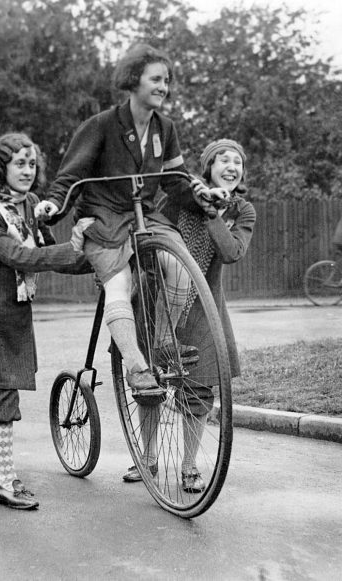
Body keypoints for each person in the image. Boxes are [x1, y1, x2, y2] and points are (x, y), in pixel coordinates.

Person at [35, 43, 202, 400]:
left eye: (167, 81)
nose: (163, 87)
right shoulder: (101, 125)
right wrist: (53, 205)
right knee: (119, 283)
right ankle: (137, 367)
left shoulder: (164, 127)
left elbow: (176, 180)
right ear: (133, 80)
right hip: (104, 217)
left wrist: (205, 199)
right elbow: (71, 176)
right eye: (156, 79)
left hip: (145, 214)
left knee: (180, 268)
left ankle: (161, 345)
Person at [0, 132, 88, 510]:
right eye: (19, 164)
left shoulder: (26, 205)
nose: (28, 171)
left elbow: (45, 251)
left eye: (32, 164)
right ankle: (6, 483)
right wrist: (73, 249)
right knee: (0, 392)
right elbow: (17, 256)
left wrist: (95, 261)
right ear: (0, 167)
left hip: (7, 316)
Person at [123, 139, 256, 491]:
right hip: (158, 301)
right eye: (223, 160)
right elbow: (147, 239)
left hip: (203, 311)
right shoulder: (181, 198)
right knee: (149, 386)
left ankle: (188, 465)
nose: (231, 167)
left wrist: (213, 213)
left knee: (197, 393)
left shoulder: (242, 210)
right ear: (208, 167)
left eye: (237, 163)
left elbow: (231, 252)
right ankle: (147, 460)